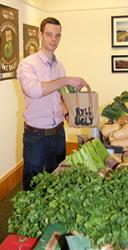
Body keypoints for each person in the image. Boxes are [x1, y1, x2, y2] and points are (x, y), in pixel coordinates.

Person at [17, 17, 89, 190]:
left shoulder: (60, 66)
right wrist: (65, 80)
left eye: (57, 36)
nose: (53, 40)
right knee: (32, 182)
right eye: (49, 34)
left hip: (58, 133)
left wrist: (67, 113)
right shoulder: (27, 64)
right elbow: (34, 91)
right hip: (36, 136)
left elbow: (60, 96)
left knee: (57, 178)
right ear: (40, 34)